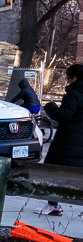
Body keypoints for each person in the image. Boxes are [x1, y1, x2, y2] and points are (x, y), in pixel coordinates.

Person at [40, 63, 83, 216]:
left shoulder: (74, 94)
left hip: (67, 142)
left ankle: (53, 205)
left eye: (68, 78)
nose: (67, 82)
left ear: (75, 78)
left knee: (53, 172)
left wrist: (50, 107)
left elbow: (63, 116)